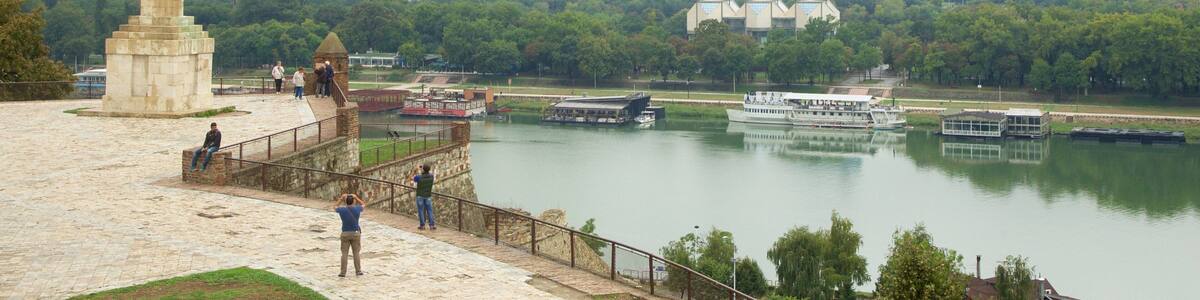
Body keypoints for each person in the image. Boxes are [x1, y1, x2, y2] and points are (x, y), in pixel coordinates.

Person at [334, 193, 365, 277]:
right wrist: (356, 197)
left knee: (344, 253)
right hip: (355, 233)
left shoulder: (342, 210)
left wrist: (341, 198)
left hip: (345, 233)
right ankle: (358, 271)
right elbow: (363, 204)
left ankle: (343, 272)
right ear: (353, 201)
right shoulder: (357, 209)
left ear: (346, 202)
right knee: (356, 253)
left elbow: (335, 207)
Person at [413, 164, 436, 230]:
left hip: (420, 195)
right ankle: (432, 225)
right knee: (430, 210)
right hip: (428, 195)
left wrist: (416, 170)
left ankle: (422, 225)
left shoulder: (419, 177)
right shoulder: (431, 176)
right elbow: (426, 174)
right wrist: (422, 169)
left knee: (421, 210)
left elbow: (413, 178)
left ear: (423, 169)